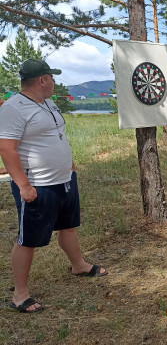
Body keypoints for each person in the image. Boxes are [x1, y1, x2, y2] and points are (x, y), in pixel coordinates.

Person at [0, 58, 107, 314]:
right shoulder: (14, 108)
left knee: (68, 226)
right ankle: (20, 294)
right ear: (42, 80)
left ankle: (78, 264)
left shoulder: (48, 103)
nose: (55, 82)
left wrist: (68, 165)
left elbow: (58, 135)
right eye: (52, 77)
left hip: (64, 180)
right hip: (38, 185)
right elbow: (6, 148)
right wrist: (23, 185)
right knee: (29, 239)